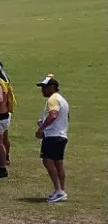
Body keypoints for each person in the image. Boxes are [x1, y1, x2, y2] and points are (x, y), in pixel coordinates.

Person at [36, 73, 69, 203]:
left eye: (45, 87)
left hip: (53, 136)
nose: (42, 90)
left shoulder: (53, 100)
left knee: (47, 161)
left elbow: (53, 115)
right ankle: (60, 190)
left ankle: (59, 190)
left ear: (53, 87)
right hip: (61, 135)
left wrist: (42, 128)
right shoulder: (61, 99)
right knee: (58, 163)